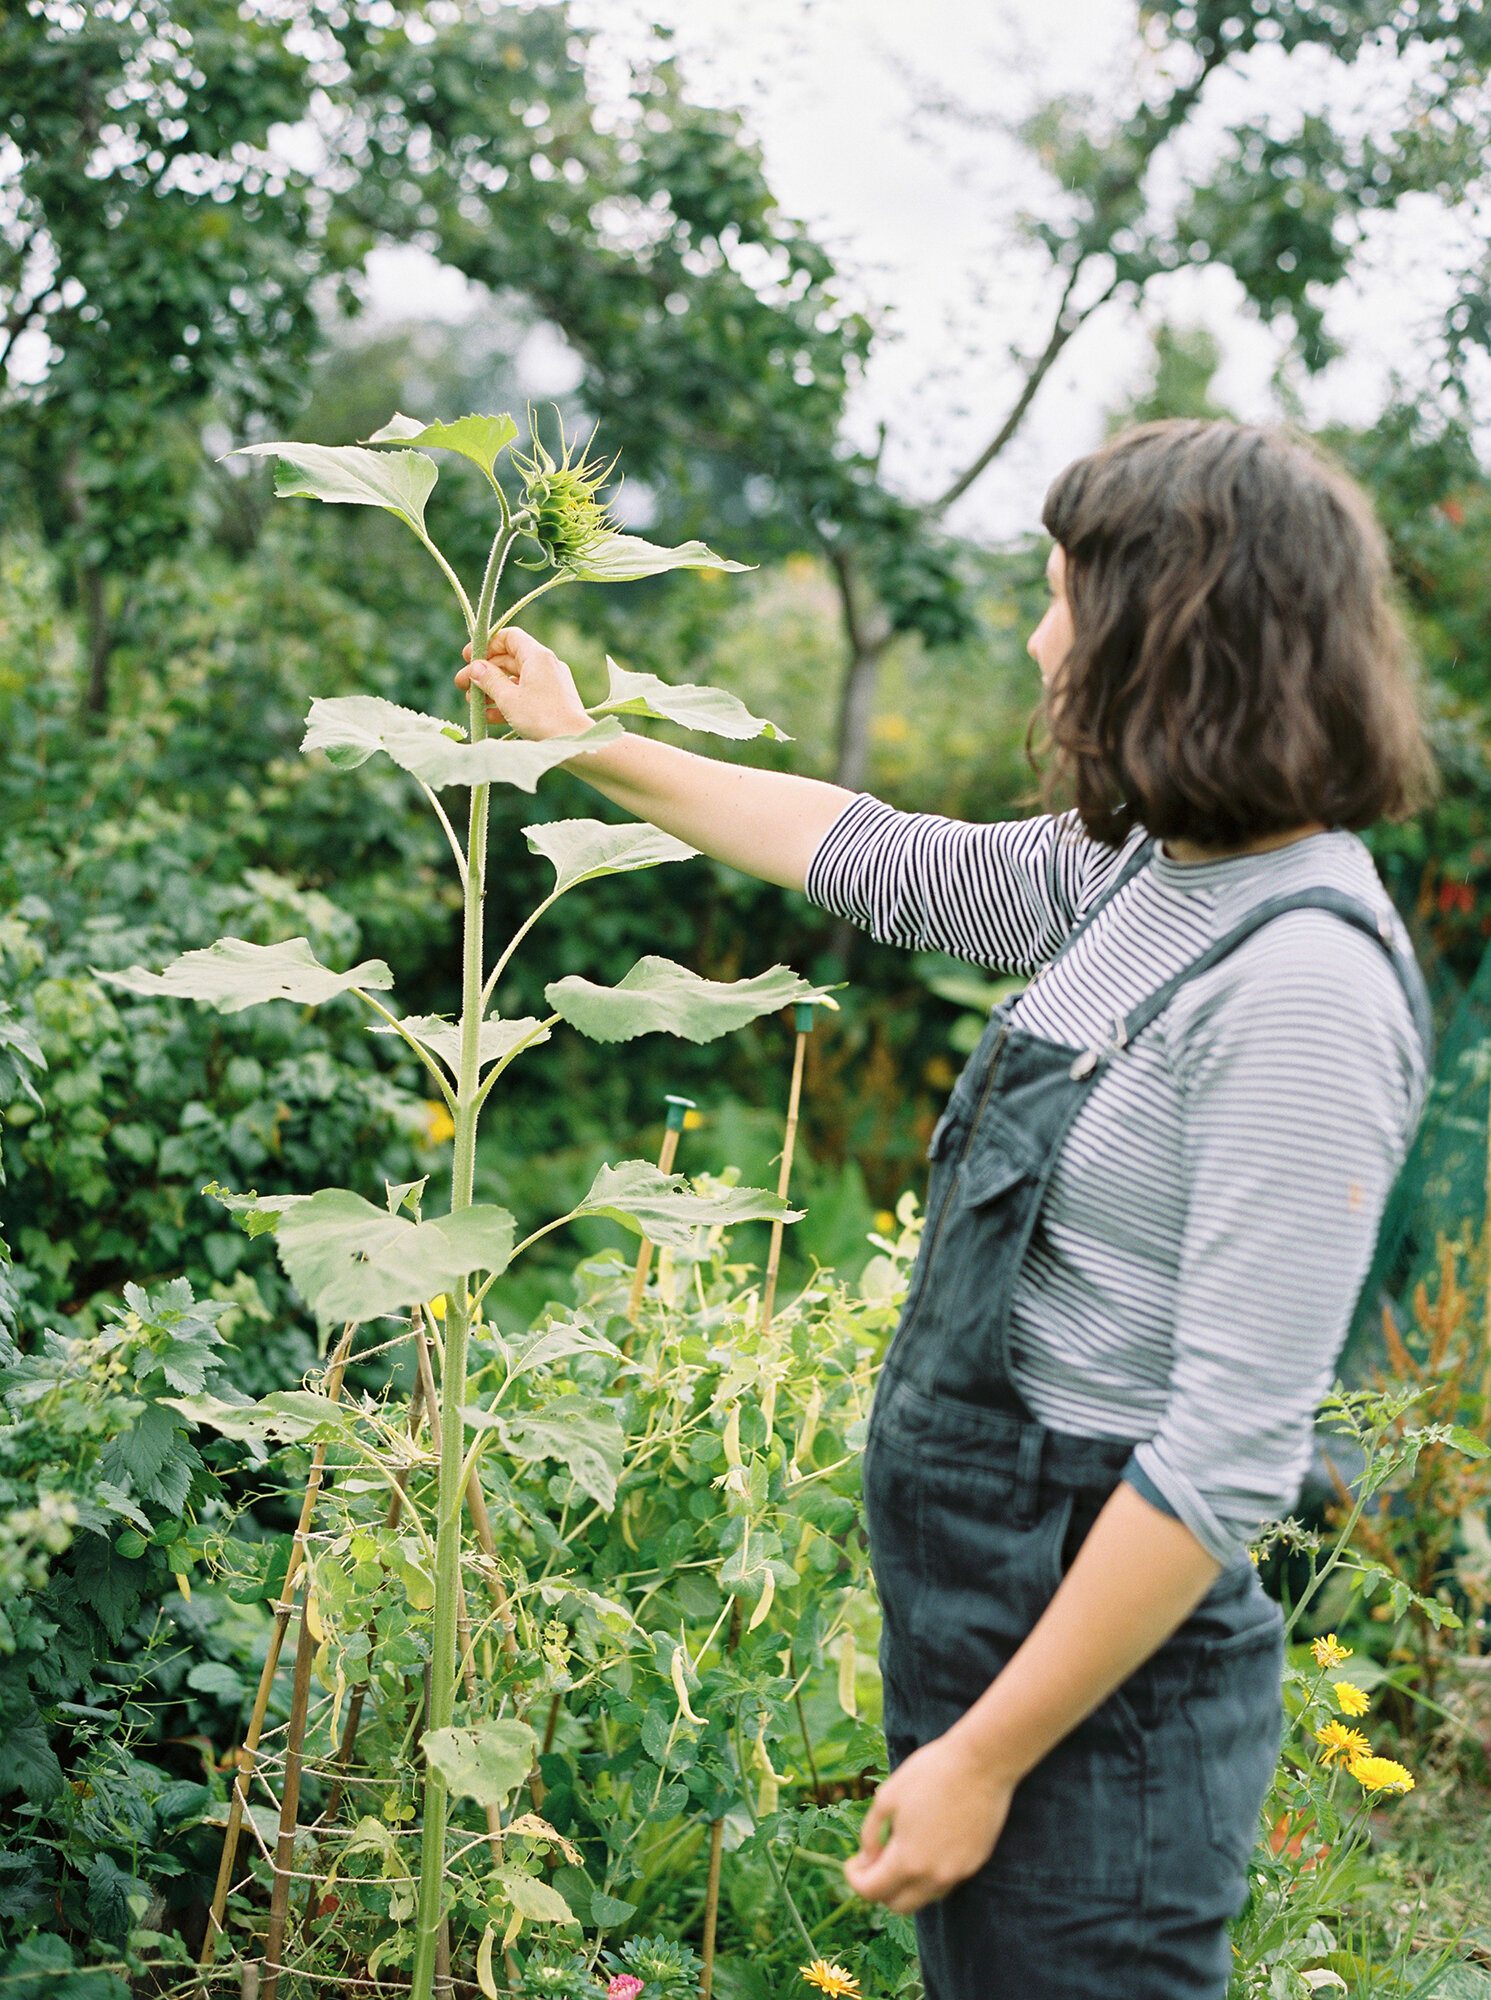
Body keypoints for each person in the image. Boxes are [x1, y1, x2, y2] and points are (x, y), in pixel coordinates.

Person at [457, 419, 1433, 2000]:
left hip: (1098, 1702)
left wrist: (987, 1756)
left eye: (1061, 602)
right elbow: (879, 857)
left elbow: (1229, 1453)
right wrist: (583, 742)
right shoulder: (1145, 870)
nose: (1042, 640)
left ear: (1164, 639)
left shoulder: (1303, 981)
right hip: (997, 1630)